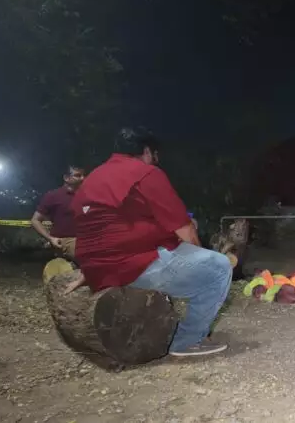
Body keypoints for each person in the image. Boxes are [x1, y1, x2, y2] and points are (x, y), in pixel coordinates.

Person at [68, 127, 232, 357]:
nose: (156, 162)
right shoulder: (145, 173)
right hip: (131, 264)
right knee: (218, 267)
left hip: (97, 266)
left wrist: (91, 267)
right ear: (146, 151)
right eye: (155, 156)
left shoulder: (93, 177)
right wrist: (197, 264)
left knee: (179, 251)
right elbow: (185, 230)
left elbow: (92, 227)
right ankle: (187, 341)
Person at [31, 166, 85, 260]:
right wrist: (50, 238)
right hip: (65, 240)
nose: (82, 178)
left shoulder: (86, 195)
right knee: (87, 256)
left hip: (87, 239)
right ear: (66, 178)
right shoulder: (53, 196)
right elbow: (35, 220)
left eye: (83, 175)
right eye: (78, 175)